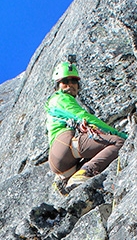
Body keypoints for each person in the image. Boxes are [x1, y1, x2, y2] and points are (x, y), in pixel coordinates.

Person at [45, 60, 128, 194]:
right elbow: (83, 116)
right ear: (57, 85)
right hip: (65, 146)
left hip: (60, 160)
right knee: (117, 142)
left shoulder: (54, 103)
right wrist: (118, 134)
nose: (70, 85)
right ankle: (85, 171)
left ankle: (70, 178)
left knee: (97, 152)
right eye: (65, 81)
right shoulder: (60, 99)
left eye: (74, 81)